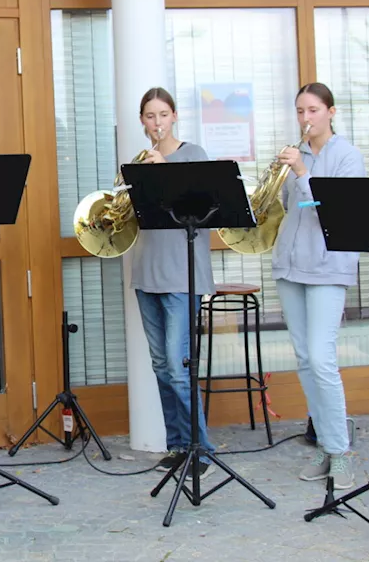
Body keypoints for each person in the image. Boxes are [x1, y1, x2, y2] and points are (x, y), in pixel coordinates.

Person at [271, 82, 365, 490]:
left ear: (331, 111)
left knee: (323, 359)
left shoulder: (347, 155)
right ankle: (326, 445)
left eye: (312, 110)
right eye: (299, 111)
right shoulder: (298, 154)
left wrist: (302, 173)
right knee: (305, 359)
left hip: (328, 267)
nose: (305, 119)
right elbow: (291, 209)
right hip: (291, 266)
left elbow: (336, 209)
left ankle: (342, 455)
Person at [128, 87, 217, 476]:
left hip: (182, 274)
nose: (157, 122)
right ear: (142, 121)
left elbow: (200, 209)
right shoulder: (137, 163)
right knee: (161, 366)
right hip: (147, 270)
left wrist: (163, 170)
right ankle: (178, 444)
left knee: (180, 368)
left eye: (163, 114)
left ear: (175, 116)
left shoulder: (193, 155)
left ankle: (203, 450)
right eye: (150, 116)